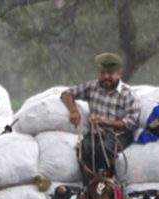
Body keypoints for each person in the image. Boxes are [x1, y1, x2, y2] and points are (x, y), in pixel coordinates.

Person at [60, 52, 140, 183]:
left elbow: (130, 123)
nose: (106, 77)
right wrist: (73, 111)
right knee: (83, 150)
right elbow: (67, 93)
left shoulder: (128, 94)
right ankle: (90, 188)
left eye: (110, 73)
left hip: (119, 135)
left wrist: (104, 122)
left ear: (119, 73)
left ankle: (110, 185)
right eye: (103, 73)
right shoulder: (92, 87)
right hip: (95, 134)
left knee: (102, 150)